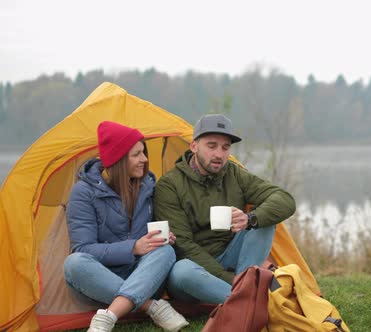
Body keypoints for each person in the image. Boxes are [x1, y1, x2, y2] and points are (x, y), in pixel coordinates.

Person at [154, 113, 296, 304]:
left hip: (233, 261)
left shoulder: (233, 173)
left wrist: (250, 219)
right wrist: (228, 278)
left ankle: (243, 295)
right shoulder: (169, 185)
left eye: (225, 147)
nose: (219, 154)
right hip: (195, 271)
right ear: (194, 146)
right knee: (182, 271)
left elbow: (284, 200)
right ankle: (252, 299)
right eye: (211, 146)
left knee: (264, 220)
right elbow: (183, 246)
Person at [63, 121, 189, 332]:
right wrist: (133, 248)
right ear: (119, 159)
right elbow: (83, 249)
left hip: (142, 275)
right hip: (100, 282)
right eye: (137, 154)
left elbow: (150, 240)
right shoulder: (83, 193)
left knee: (165, 250)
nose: (145, 159)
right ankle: (150, 306)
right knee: (74, 264)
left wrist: (159, 238)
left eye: (144, 153)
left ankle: (108, 317)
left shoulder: (147, 186)